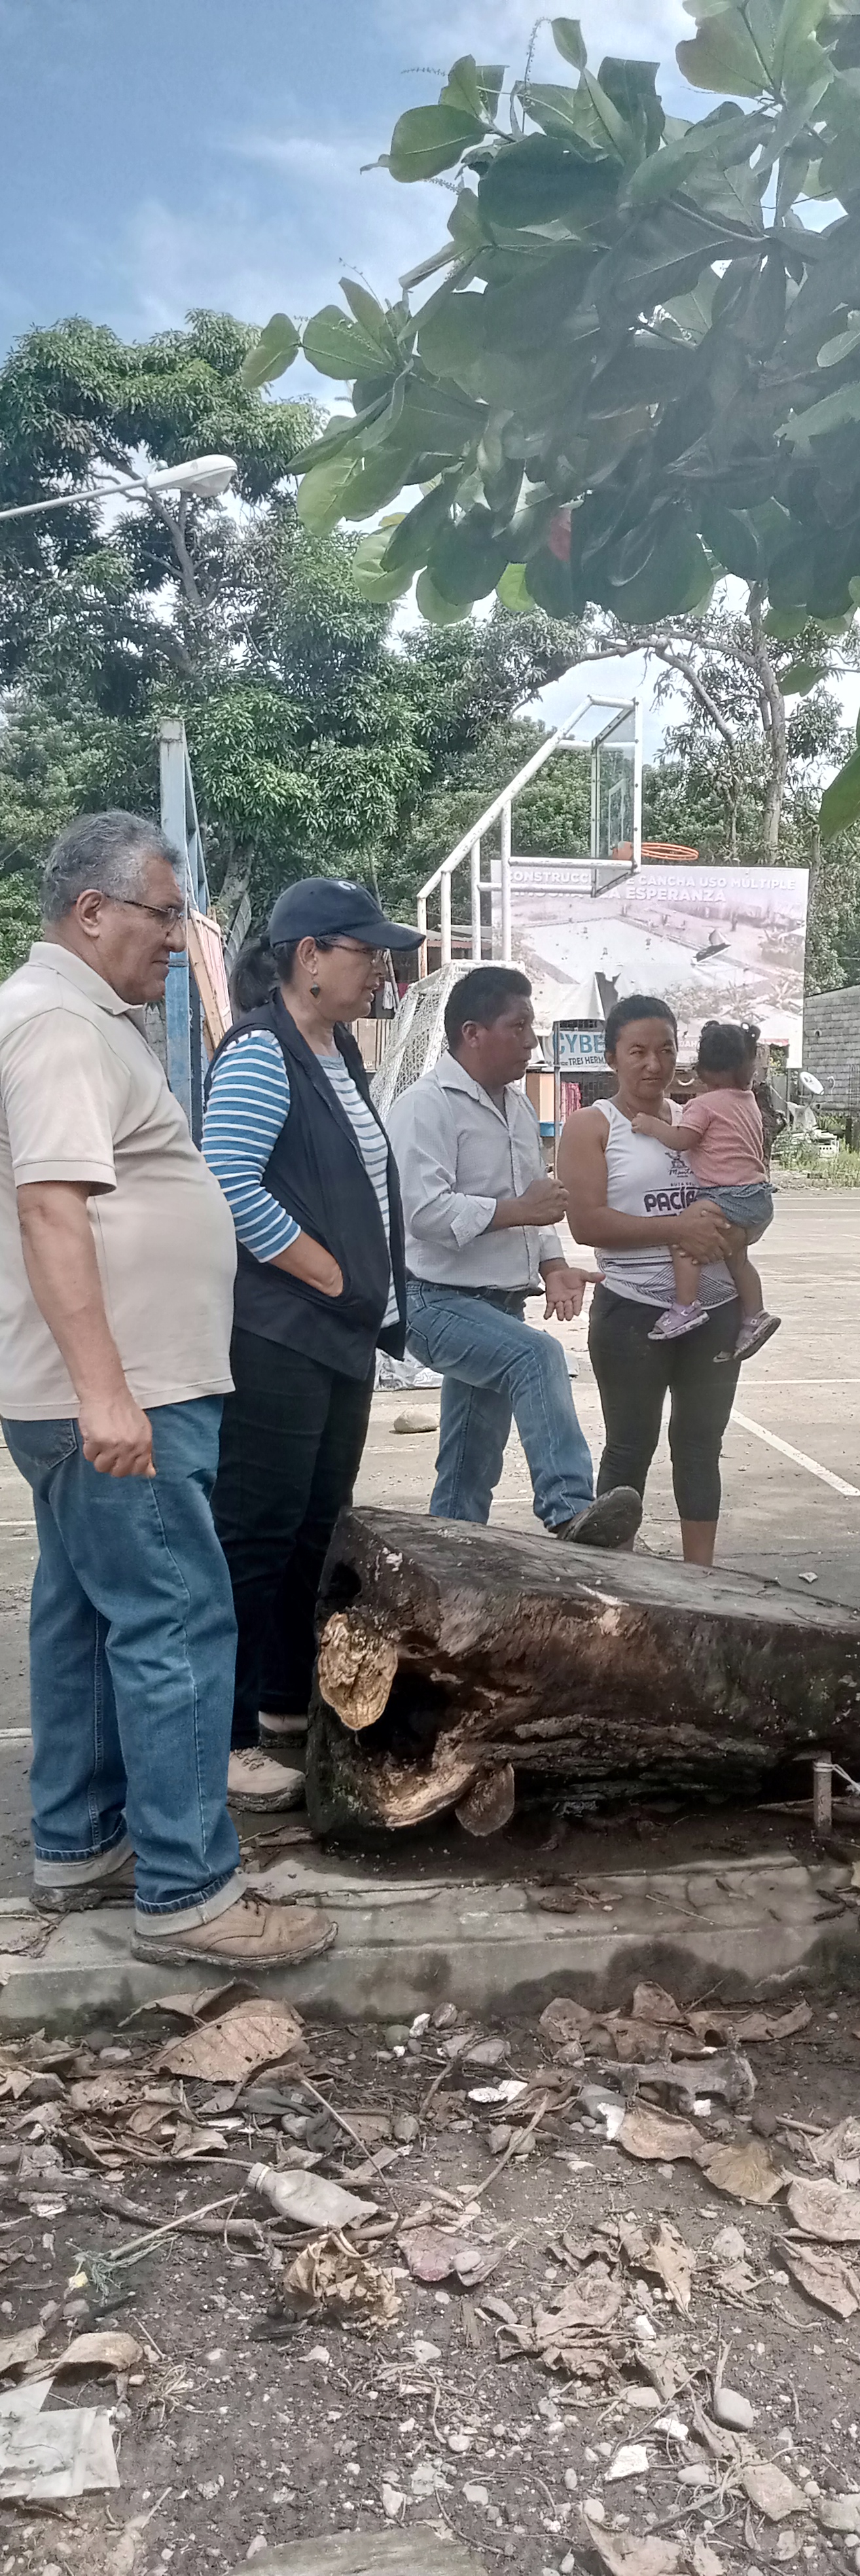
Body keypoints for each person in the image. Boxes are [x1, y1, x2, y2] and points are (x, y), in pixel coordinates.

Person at [0, 812, 332, 1967]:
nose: (177, 942)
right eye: (163, 915)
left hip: (101, 1390)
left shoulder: (79, 1019)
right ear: (92, 912)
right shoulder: (59, 1028)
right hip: (119, 1393)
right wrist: (106, 1394)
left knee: (88, 1613)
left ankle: (81, 1841)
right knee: (178, 1618)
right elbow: (52, 1209)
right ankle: (190, 1891)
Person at [202, 878, 420, 1808]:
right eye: (365, 953)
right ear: (308, 957)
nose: (379, 971)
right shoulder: (263, 1052)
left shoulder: (335, 1051)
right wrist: (326, 1271)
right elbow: (226, 1180)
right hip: (281, 1338)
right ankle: (225, 1736)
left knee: (316, 1531)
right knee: (256, 1535)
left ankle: (287, 1705)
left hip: (338, 1340)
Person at [386, 965, 641, 1546]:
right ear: (472, 1033)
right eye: (518, 1026)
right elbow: (423, 1213)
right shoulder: (426, 1107)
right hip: (431, 1301)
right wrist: (517, 1210)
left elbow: (538, 1201)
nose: (531, 1041)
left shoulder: (519, 1107)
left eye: (532, 1026)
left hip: (497, 1305)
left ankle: (448, 1557)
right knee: (538, 1357)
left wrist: (553, 1266)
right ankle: (569, 1510)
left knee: (469, 1463)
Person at [558, 994, 747, 1567]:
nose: (654, 1064)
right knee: (629, 1448)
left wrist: (736, 1232)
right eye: (637, 1051)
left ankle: (701, 1580)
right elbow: (587, 1224)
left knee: (700, 1446)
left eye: (665, 1050)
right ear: (611, 1057)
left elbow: (744, 1190)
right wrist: (678, 1228)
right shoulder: (592, 1125)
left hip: (715, 1308)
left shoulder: (697, 1119)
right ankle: (617, 1581)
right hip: (634, 1313)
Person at [630, 1019, 779, 1358]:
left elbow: (682, 1140)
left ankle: (686, 1307)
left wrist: (652, 1126)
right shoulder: (747, 1100)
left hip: (728, 1195)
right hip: (758, 1197)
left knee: (684, 1235)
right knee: (738, 1260)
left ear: (702, 1069)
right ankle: (755, 1315)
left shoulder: (704, 1105)